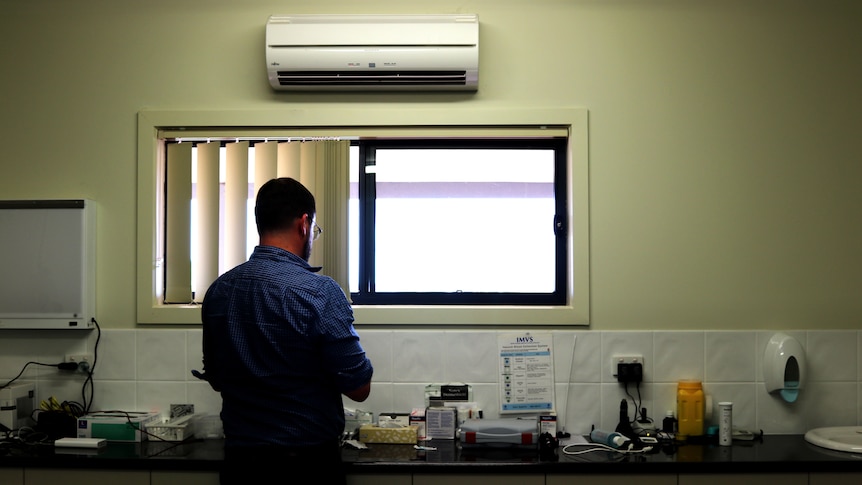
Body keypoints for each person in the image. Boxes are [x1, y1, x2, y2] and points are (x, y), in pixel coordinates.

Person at [200, 177, 373, 485]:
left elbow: (216, 379)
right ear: (304, 224)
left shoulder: (219, 291)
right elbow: (359, 387)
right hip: (307, 467)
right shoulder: (319, 292)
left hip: (240, 465)